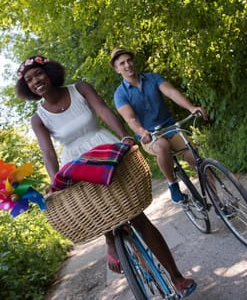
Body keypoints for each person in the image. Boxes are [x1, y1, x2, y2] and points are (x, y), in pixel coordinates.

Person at [15, 55, 197, 297]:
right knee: (100, 210)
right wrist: (54, 181)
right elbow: (48, 153)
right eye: (29, 79)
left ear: (49, 72)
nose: (35, 80)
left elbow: (104, 111)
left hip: (105, 149)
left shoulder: (80, 89)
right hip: (76, 164)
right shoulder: (38, 118)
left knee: (138, 217)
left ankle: (176, 277)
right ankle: (111, 241)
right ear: (27, 87)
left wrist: (124, 135)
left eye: (38, 73)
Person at [111, 48, 208, 204]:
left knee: (198, 161)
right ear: (117, 69)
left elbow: (171, 92)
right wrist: (142, 132)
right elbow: (131, 119)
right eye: (122, 63)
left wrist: (191, 108)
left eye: (129, 60)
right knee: (162, 146)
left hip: (170, 128)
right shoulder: (120, 94)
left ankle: (221, 203)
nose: (127, 65)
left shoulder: (152, 78)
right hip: (149, 136)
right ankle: (172, 183)